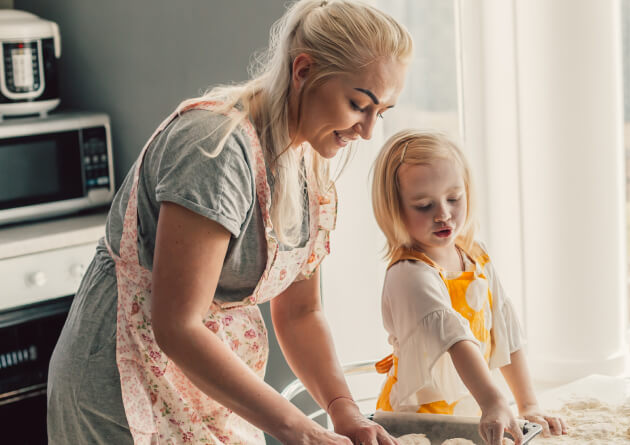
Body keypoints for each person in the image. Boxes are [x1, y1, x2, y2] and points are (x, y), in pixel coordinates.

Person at [46, 1, 412, 443]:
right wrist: (299, 429)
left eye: (382, 112)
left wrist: (344, 412)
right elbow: (178, 326)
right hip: (121, 390)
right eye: (359, 105)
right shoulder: (214, 149)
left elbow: (300, 312)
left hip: (207, 392)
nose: (368, 131)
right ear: (303, 70)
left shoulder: (310, 160)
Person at [370, 129, 567, 445]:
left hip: (471, 411)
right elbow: (455, 338)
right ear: (395, 209)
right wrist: (493, 400)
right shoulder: (409, 273)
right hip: (418, 423)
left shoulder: (475, 255)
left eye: (453, 198)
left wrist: (528, 405)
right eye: (423, 205)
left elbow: (503, 328)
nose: (443, 214)